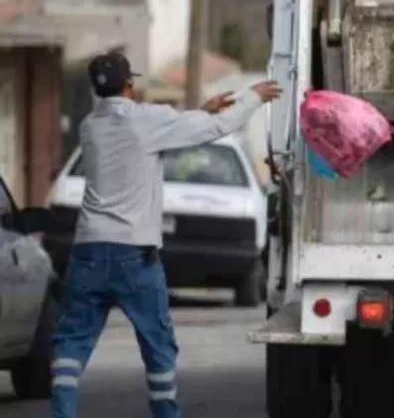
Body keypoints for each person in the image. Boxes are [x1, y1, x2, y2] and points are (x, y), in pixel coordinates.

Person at [49, 52, 283, 418]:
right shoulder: (146, 120)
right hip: (133, 256)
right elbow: (214, 130)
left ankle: (62, 412)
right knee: (157, 345)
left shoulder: (90, 126)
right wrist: (252, 96)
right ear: (129, 84)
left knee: (72, 342)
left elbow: (166, 126)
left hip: (88, 251)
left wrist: (202, 110)